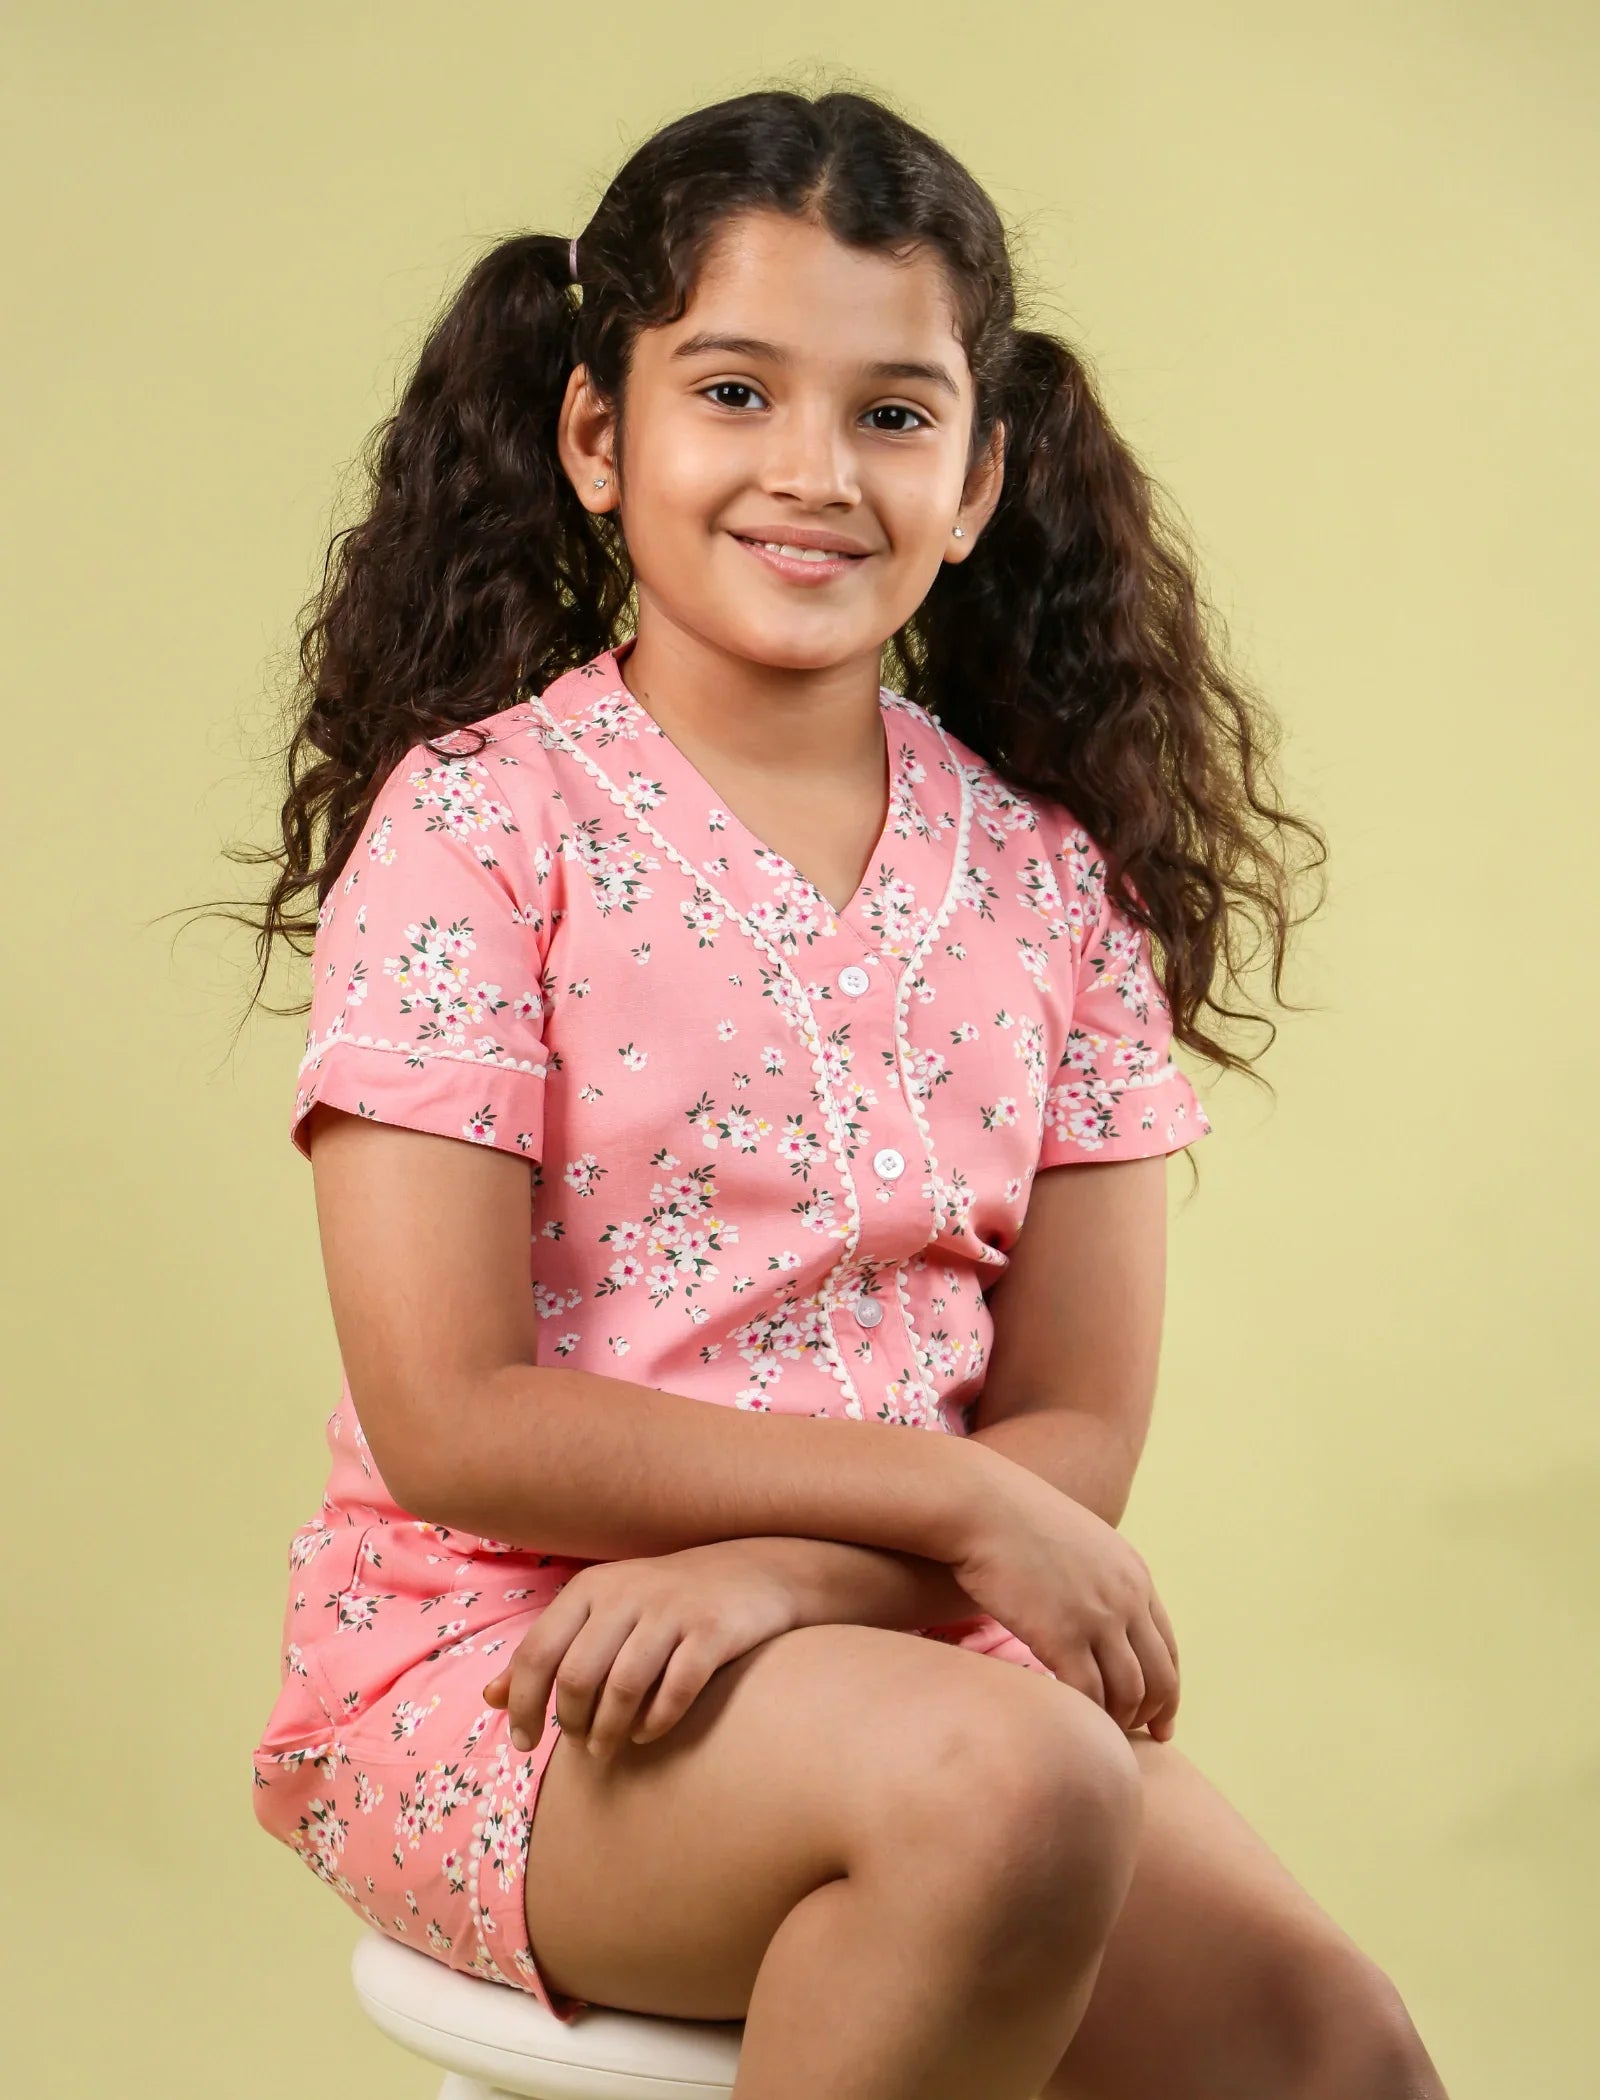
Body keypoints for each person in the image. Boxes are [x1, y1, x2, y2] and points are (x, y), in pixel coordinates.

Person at [237, 83, 1447, 2100]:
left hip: (907, 1648)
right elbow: (453, 1417)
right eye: (734, 392)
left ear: (976, 479)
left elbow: (1074, 1428)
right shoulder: (476, 831)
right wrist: (952, 1500)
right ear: (597, 437)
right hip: (513, 1675)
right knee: (1017, 1789)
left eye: (893, 412)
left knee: (1337, 2055)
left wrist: (795, 1572)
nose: (813, 471)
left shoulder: (1052, 881)